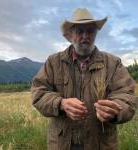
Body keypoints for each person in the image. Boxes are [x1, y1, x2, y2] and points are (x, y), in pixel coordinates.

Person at [31, 8, 137, 150]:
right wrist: (60, 103)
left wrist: (115, 110)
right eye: (80, 31)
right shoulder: (53, 62)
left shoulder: (112, 63)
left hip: (100, 143)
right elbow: (38, 93)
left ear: (95, 34)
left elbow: (127, 96)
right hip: (62, 144)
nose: (85, 36)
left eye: (90, 31)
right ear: (70, 35)